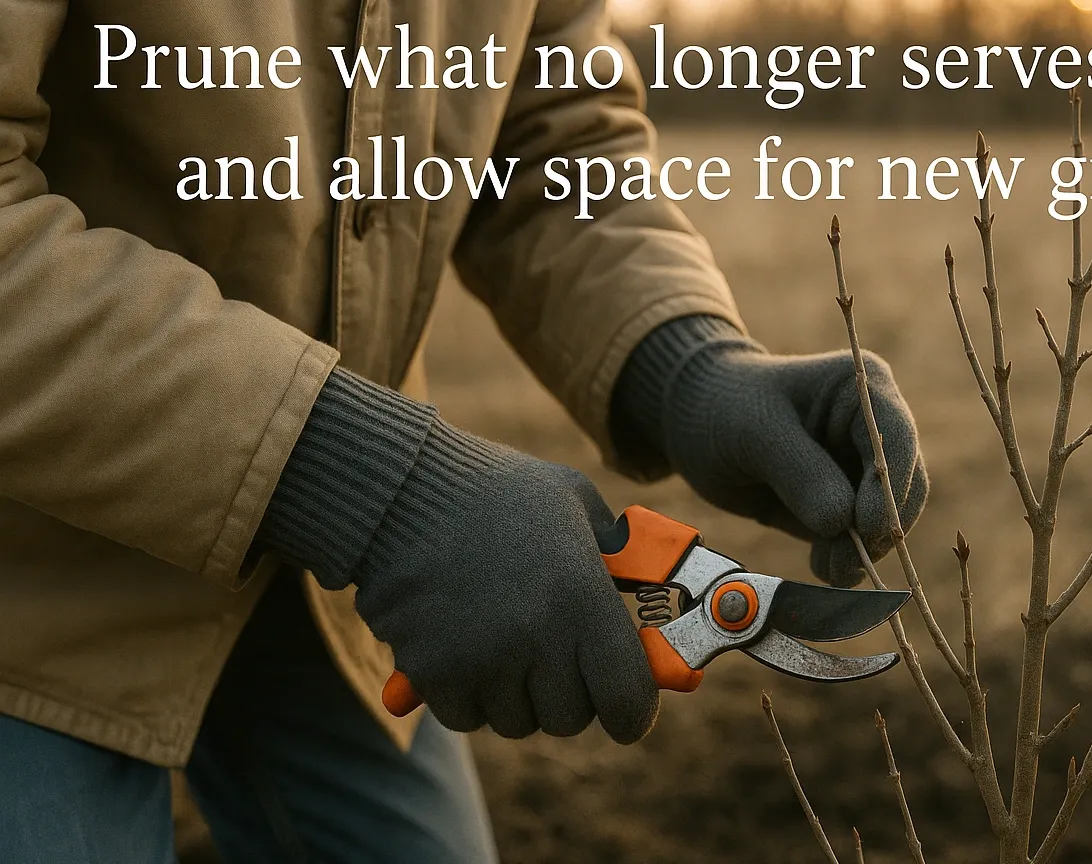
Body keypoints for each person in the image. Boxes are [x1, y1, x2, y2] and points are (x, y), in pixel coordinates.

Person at [0, 1, 927, 861]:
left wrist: (685, 361)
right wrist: (379, 487)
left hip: (319, 569)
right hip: (32, 571)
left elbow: (540, 124)